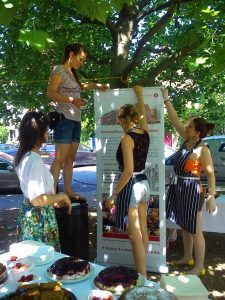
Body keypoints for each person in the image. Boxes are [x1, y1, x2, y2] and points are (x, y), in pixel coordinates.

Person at [162, 88, 216, 276]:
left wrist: (211, 197)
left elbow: (210, 175)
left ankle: (199, 266)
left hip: (193, 190)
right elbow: (174, 120)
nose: (186, 127)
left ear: (197, 132)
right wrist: (166, 99)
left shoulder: (203, 149)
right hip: (179, 188)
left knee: (195, 229)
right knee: (185, 226)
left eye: (190, 126)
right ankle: (187, 257)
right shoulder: (186, 141)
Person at [47, 43, 108, 199]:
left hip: (75, 120)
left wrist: (97, 85)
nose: (82, 63)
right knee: (60, 158)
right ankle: (51, 193)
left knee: (70, 159)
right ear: (71, 55)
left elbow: (80, 87)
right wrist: (72, 100)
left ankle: (67, 190)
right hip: (64, 119)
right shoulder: (58, 69)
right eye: (81, 59)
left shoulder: (72, 73)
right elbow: (51, 93)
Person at [106, 85, 150, 277]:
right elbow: (144, 119)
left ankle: (142, 277)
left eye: (119, 119)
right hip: (145, 184)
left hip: (132, 185)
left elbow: (128, 171)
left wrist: (114, 193)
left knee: (135, 236)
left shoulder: (127, 138)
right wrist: (140, 96)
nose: (119, 123)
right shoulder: (145, 132)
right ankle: (144, 271)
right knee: (143, 231)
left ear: (124, 119)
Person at [15, 111, 72, 251]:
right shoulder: (34, 159)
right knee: (43, 262)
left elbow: (37, 195)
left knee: (31, 263)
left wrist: (53, 199)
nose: (48, 134)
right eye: (46, 130)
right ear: (38, 133)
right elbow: (37, 199)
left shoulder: (24, 156)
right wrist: (62, 195)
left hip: (30, 214)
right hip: (39, 218)